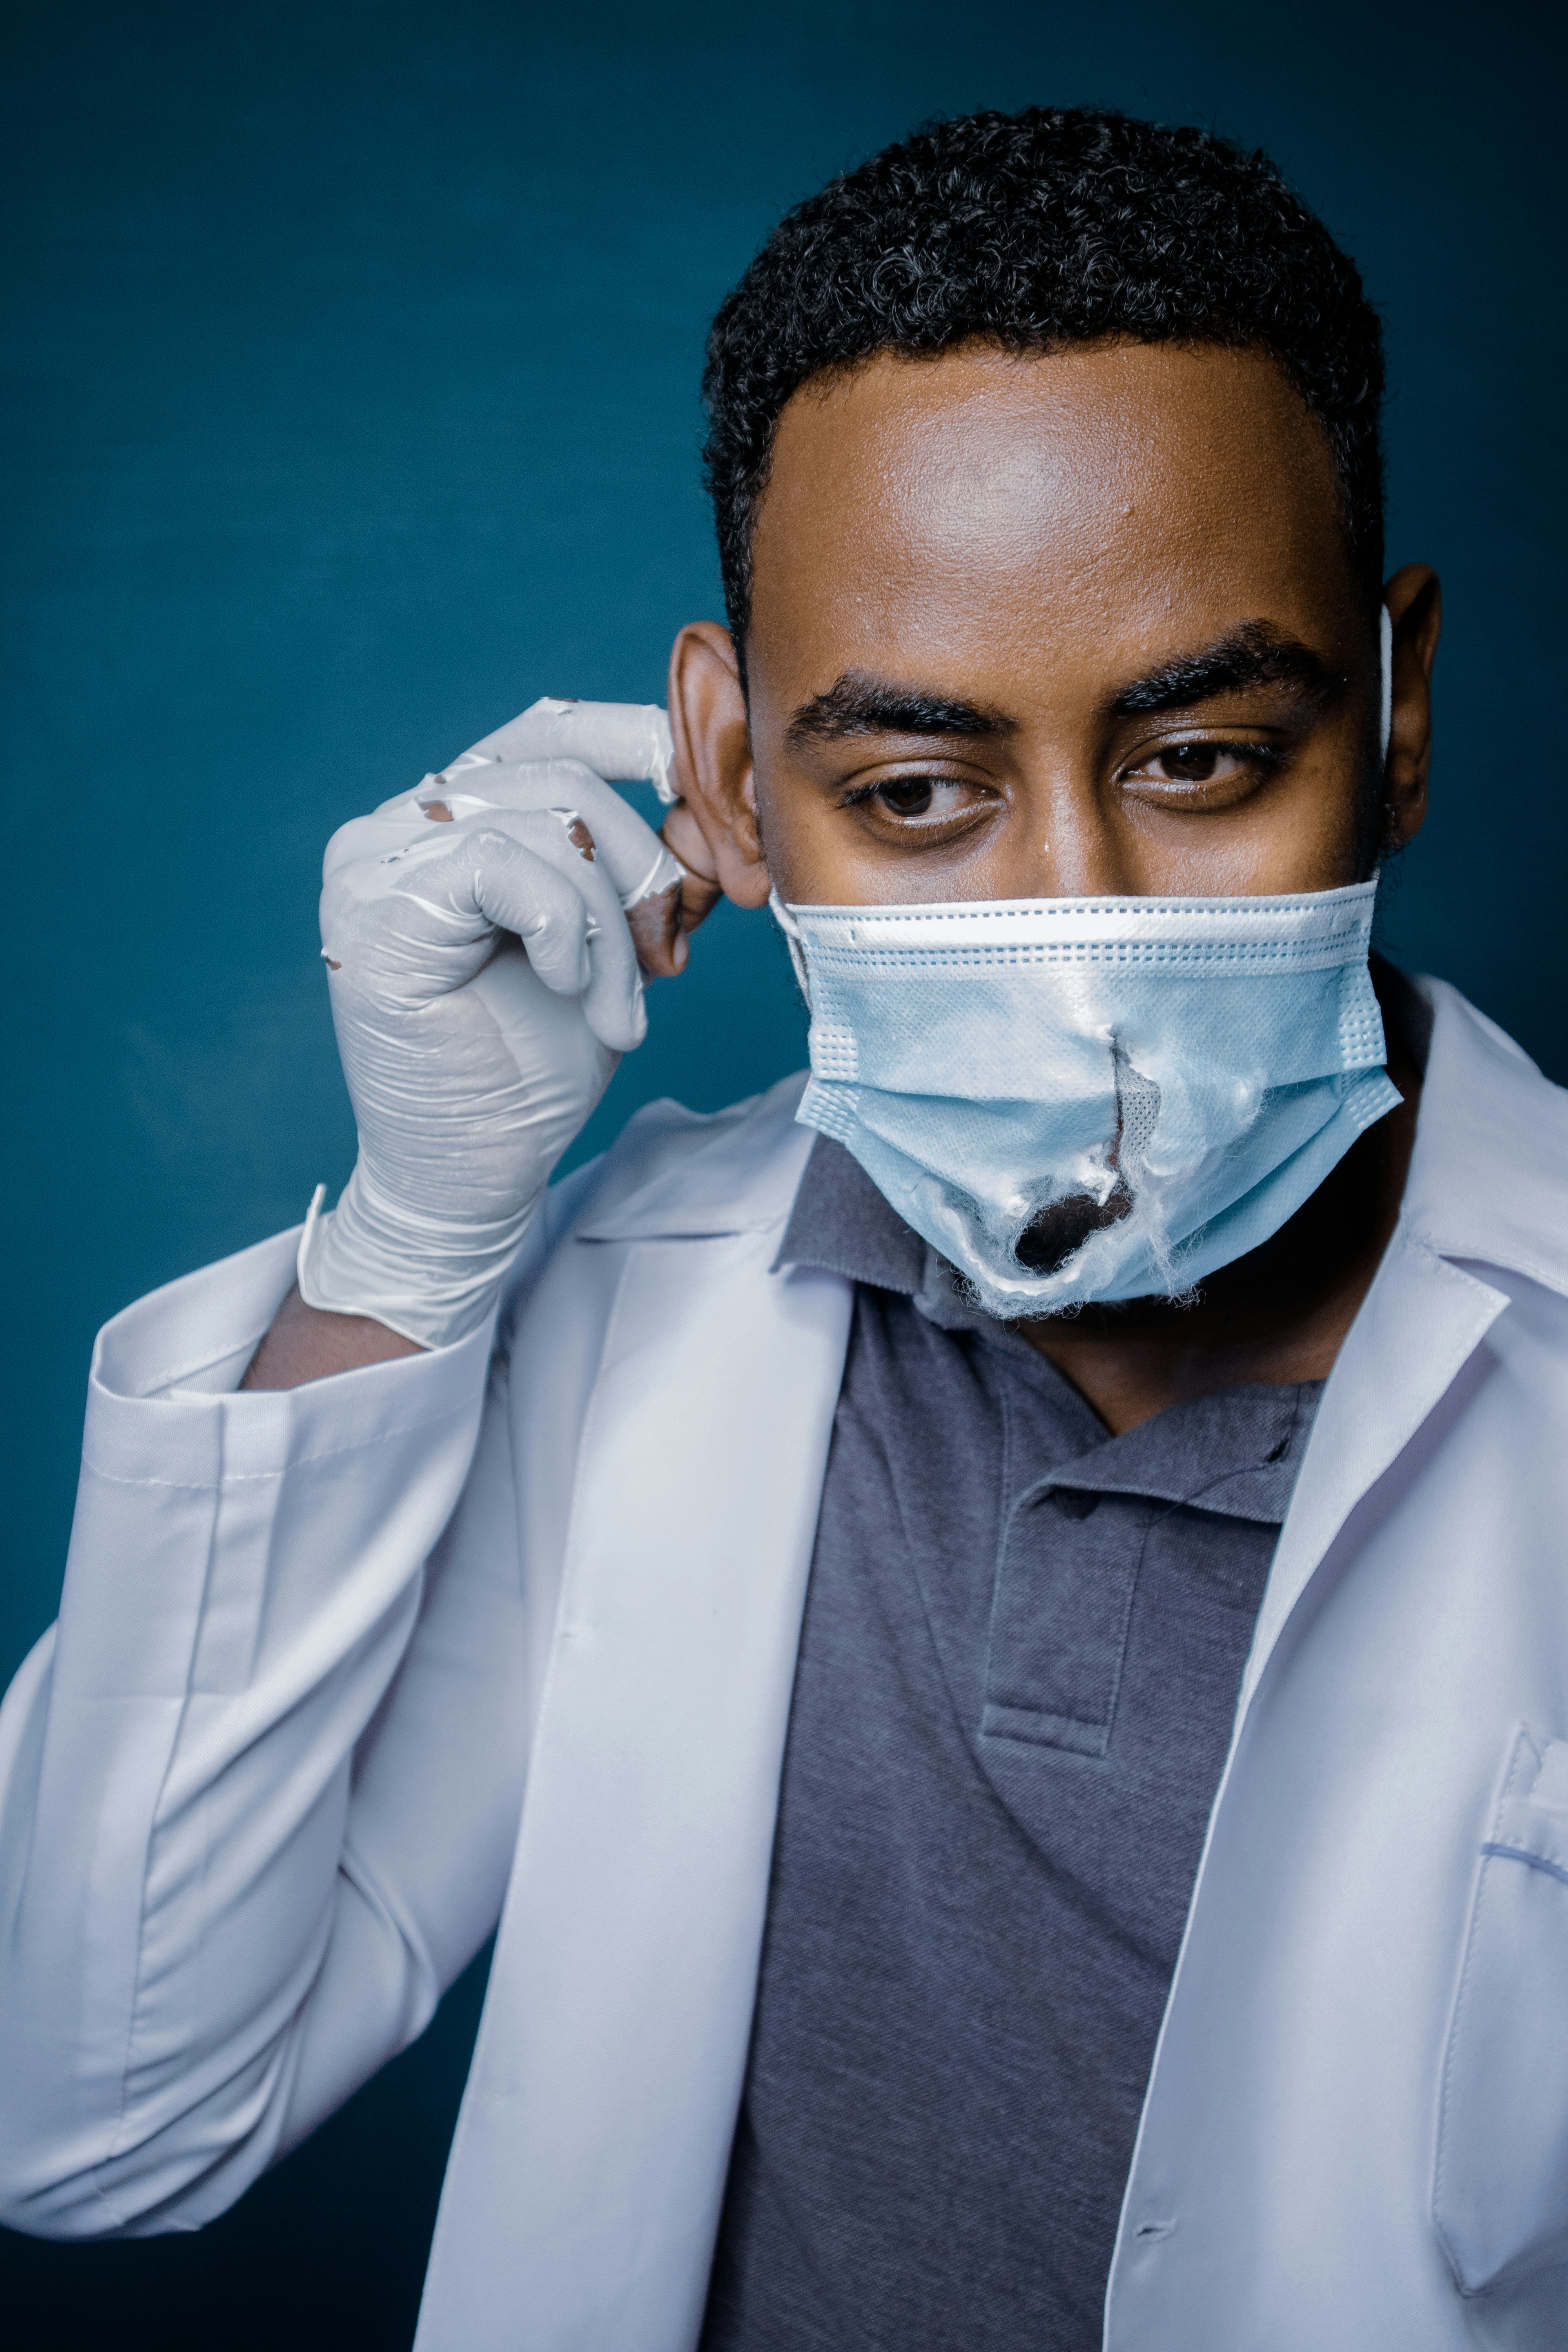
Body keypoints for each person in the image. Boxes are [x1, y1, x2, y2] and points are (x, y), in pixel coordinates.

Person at [1, 103, 1564, 2352]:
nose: (1078, 927)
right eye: (917, 794)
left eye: (1201, 760)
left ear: (1398, 711)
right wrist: (415, 1248)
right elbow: (99, 2114)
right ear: (730, 779)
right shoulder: (636, 1311)